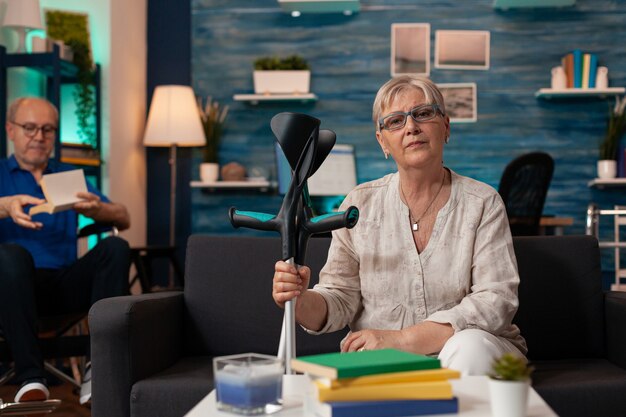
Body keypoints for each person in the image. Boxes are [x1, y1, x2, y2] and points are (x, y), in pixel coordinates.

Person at [272, 75, 527, 375]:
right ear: (383, 141)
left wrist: (402, 340)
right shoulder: (358, 205)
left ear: (446, 127)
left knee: (467, 346)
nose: (411, 127)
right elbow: (339, 297)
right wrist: (300, 300)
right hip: (385, 361)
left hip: (474, 354)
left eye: (423, 113)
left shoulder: (482, 202)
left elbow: (495, 301)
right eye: (394, 121)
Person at [0, 97, 131, 404]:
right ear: (10, 130)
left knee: (115, 246)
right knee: (10, 254)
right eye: (29, 127)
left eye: (47, 129)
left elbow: (123, 217)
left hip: (63, 286)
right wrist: (4, 206)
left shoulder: (67, 177)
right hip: (10, 289)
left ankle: (98, 369)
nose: (39, 136)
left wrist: (99, 209)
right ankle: (30, 377)